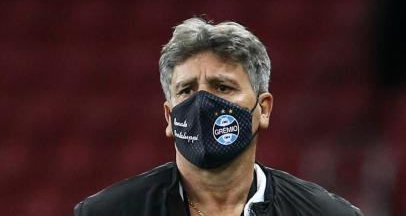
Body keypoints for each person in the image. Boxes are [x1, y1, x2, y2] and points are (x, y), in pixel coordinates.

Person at [74, 18, 363, 216]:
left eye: (222, 87)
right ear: (168, 116)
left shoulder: (325, 213)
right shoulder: (109, 211)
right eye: (186, 90)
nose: (202, 103)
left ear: (263, 109)